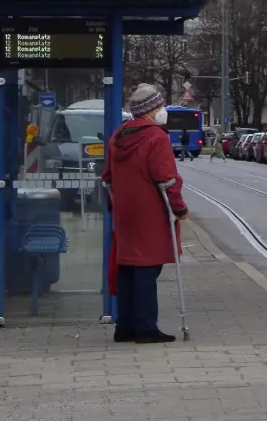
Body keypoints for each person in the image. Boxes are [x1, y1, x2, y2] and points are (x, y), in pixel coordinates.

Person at [102, 84, 187, 344]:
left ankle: (125, 326)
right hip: (150, 212)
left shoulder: (118, 136)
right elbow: (167, 179)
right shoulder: (156, 137)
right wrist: (179, 208)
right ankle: (146, 327)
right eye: (159, 106)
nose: (162, 111)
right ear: (150, 111)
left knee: (128, 265)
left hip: (125, 211)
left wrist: (115, 204)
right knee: (147, 269)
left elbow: (107, 177)